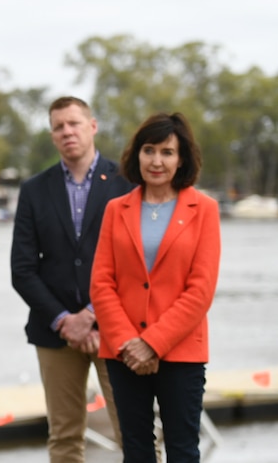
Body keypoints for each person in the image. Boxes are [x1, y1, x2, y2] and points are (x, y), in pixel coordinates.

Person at [91, 112, 220, 462]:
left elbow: (201, 290)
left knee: (182, 450)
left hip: (180, 353)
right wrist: (128, 344)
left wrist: (152, 343)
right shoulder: (116, 209)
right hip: (123, 353)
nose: (157, 161)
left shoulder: (204, 209)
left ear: (182, 159)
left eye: (167, 152)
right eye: (149, 150)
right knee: (135, 450)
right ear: (138, 155)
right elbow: (101, 283)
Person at [11, 96, 132, 462]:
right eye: (59, 126)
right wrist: (66, 321)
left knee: (136, 434)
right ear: (52, 135)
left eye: (74, 123)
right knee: (64, 439)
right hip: (55, 332)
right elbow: (22, 269)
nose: (67, 132)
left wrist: (93, 315)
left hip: (116, 329)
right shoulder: (35, 190)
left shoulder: (126, 183)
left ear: (92, 126)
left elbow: (134, 264)